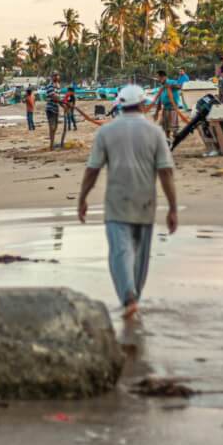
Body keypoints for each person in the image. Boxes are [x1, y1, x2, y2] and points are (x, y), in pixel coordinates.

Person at [78, 84, 178, 321]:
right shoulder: (155, 132)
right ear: (144, 104)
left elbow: (92, 170)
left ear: (119, 105)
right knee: (141, 255)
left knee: (119, 252)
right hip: (146, 202)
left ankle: (128, 298)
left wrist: (82, 198)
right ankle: (134, 298)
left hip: (117, 202)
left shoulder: (106, 132)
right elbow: (166, 173)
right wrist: (173, 208)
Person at [44, 73, 63, 149]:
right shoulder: (50, 86)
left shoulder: (58, 86)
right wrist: (63, 103)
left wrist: (63, 105)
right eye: (55, 76)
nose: (56, 77)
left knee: (55, 128)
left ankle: (52, 143)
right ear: (52, 77)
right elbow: (54, 96)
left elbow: (58, 98)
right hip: (50, 109)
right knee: (52, 127)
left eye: (57, 75)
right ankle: (51, 146)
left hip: (56, 109)